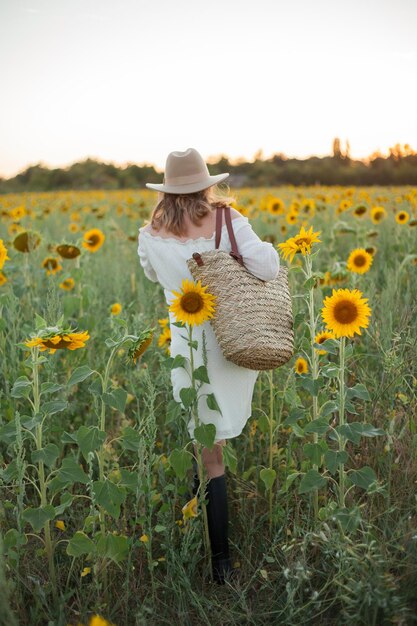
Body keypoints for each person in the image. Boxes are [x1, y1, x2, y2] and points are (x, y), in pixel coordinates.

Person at [137, 148, 280, 585]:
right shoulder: (227, 220)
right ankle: (222, 565)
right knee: (212, 442)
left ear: (167, 189)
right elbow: (268, 267)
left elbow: (151, 275)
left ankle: (200, 530)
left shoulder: (150, 233)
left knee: (204, 437)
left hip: (188, 349)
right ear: (205, 184)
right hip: (230, 343)